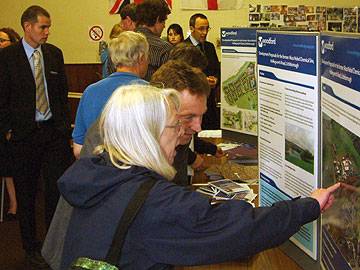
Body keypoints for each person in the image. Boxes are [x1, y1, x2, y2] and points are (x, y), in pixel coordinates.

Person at [56, 84, 340, 269]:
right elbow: (238, 230)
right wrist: (309, 206)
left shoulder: (98, 172)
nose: (181, 136)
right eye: (174, 127)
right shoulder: (155, 201)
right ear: (148, 135)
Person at [0, 5, 73, 268]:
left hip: (53, 133)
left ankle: (53, 244)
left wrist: (64, 128)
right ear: (27, 27)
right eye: (43, 27)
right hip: (23, 136)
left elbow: (62, 94)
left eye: (48, 27)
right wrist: (8, 130)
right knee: (27, 194)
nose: (47, 32)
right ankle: (30, 247)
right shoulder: (7, 57)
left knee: (55, 191)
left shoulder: (54, 54)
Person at [73, 31, 149, 158]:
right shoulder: (151, 93)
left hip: (96, 171)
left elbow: (78, 148)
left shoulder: (90, 92)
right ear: (141, 58)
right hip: (137, 173)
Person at [185, 13, 220, 129]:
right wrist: (201, 81)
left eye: (207, 28)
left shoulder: (209, 47)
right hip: (191, 106)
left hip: (209, 105)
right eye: (201, 29)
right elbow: (182, 76)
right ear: (191, 28)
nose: (204, 32)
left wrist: (216, 79)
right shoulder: (183, 48)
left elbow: (216, 70)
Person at [0, 27, 20, 221]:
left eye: (2, 40)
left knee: (9, 164)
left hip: (12, 123)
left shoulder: (15, 67)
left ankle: (14, 202)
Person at [135, 0, 172, 81]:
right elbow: (168, 82)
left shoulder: (119, 43)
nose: (164, 26)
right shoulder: (164, 48)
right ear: (158, 19)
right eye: (164, 21)